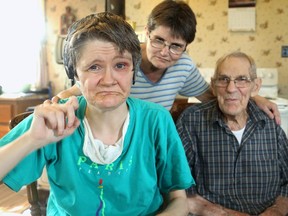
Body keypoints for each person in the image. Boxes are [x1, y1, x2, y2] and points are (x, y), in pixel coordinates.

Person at [0, 12, 194, 215]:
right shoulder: (57, 119)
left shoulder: (156, 120)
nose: (108, 79)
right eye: (94, 67)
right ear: (74, 73)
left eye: (120, 65)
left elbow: (179, 200)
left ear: (133, 71)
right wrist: (31, 139)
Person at [53, 0, 281, 124]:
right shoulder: (123, 61)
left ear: (185, 47)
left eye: (175, 46)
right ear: (147, 32)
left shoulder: (184, 67)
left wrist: (253, 96)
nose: (164, 52)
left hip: (149, 144)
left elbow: (215, 96)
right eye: (158, 40)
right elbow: (77, 90)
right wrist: (57, 102)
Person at [176, 51, 288, 216]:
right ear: (213, 86)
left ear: (255, 86)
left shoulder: (270, 121)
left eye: (242, 80)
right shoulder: (192, 120)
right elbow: (179, 186)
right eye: (223, 79)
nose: (231, 88)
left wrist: (276, 211)